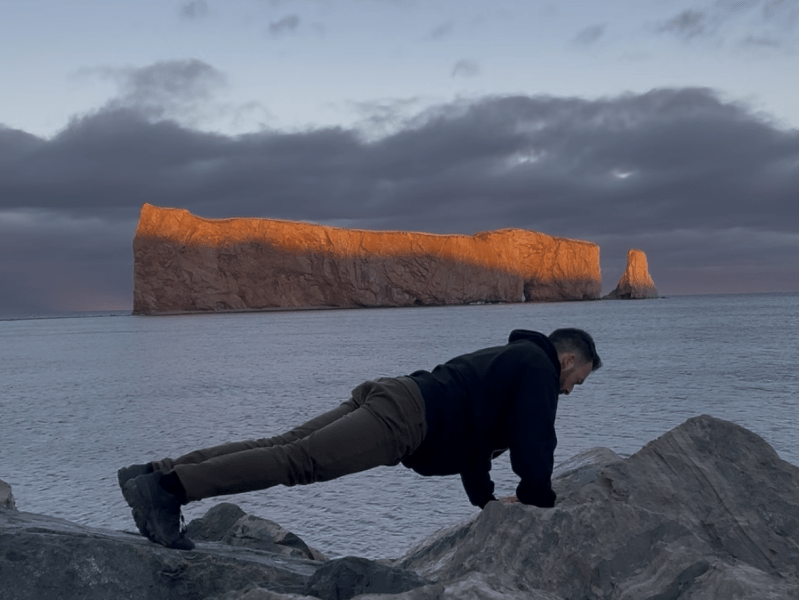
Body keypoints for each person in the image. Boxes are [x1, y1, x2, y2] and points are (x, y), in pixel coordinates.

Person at [119, 327, 601, 550]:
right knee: (297, 461)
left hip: (394, 394)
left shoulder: (513, 360)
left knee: (284, 445)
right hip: (405, 418)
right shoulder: (538, 367)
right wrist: (538, 498)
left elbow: (477, 439)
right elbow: (537, 438)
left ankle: (154, 476)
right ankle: (168, 492)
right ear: (567, 360)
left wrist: (487, 503)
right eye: (575, 380)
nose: (569, 390)